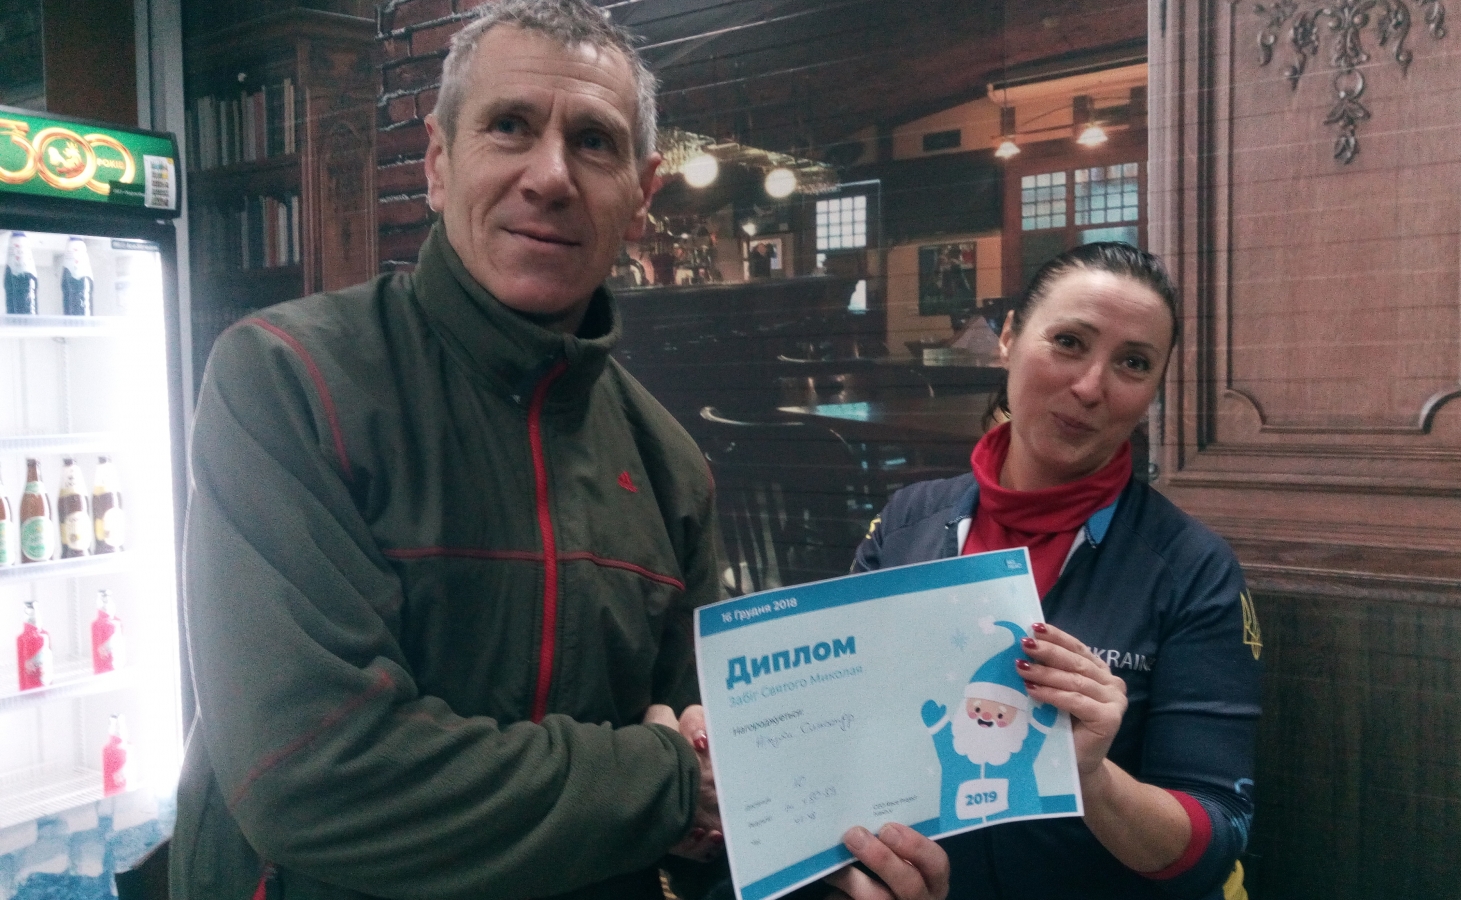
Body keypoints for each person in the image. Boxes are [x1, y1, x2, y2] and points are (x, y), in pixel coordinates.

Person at [170, 2, 947, 899]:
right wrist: (665, 783)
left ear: (642, 196)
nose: (550, 176)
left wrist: (819, 866)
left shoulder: (668, 467)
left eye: (593, 141)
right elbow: (313, 772)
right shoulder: (288, 379)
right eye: (509, 126)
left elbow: (713, 786)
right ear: (437, 163)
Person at [853, 243, 1262, 900]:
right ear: (1009, 339)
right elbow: (855, 742)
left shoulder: (1191, 570)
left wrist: (1091, 778)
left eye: (1133, 363)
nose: (1091, 387)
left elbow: (1217, 837)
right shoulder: (908, 523)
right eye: (1069, 342)